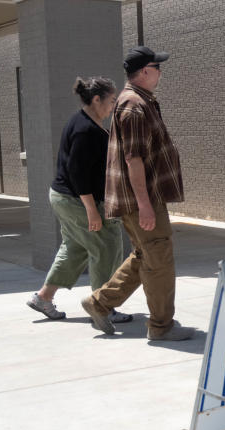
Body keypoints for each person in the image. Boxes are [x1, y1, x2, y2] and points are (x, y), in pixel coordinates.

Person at [80, 46, 195, 340]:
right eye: (158, 67)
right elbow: (134, 159)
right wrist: (144, 204)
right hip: (141, 199)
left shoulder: (140, 101)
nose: (160, 73)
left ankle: (99, 303)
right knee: (159, 261)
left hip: (144, 197)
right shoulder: (134, 107)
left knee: (146, 255)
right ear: (145, 71)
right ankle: (161, 327)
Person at [26, 77, 131, 325]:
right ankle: (103, 306)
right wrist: (92, 211)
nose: (113, 105)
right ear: (96, 99)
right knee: (106, 246)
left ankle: (44, 297)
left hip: (65, 198)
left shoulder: (86, 123)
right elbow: (77, 173)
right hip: (76, 200)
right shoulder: (85, 129)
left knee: (76, 248)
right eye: (111, 100)